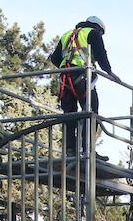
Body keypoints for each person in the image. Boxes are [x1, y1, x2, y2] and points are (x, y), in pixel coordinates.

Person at [48, 15, 116, 159]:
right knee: (91, 111)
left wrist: (67, 65)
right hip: (82, 75)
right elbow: (101, 54)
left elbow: (54, 58)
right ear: (98, 27)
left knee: (69, 113)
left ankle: (70, 150)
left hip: (65, 77)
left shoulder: (67, 35)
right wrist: (109, 72)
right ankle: (88, 150)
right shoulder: (93, 33)